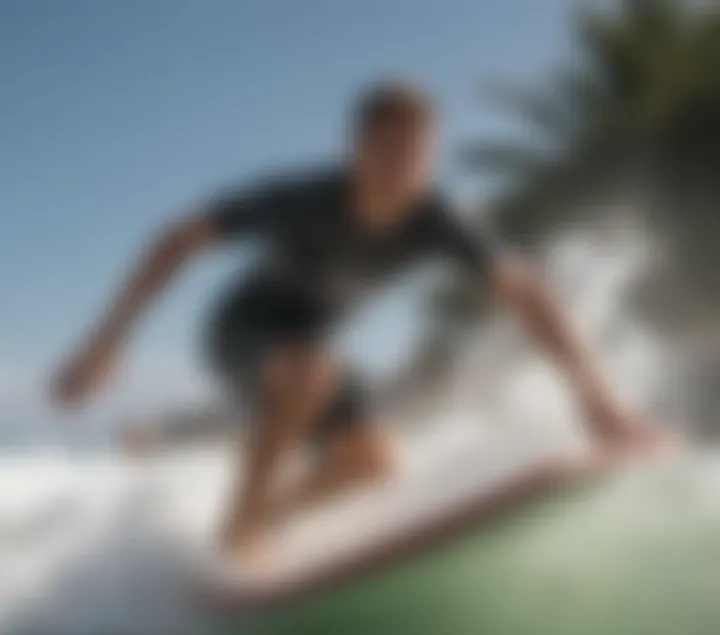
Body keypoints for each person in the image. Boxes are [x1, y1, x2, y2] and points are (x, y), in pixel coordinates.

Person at [51, 80, 665, 560]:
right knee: (307, 372)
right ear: (357, 148)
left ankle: (264, 519)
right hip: (241, 330)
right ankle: (239, 531)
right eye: (389, 151)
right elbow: (177, 237)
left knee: (370, 464)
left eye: (418, 155)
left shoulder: (437, 217)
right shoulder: (302, 198)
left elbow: (524, 291)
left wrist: (597, 399)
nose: (404, 169)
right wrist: (104, 343)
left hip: (310, 348)